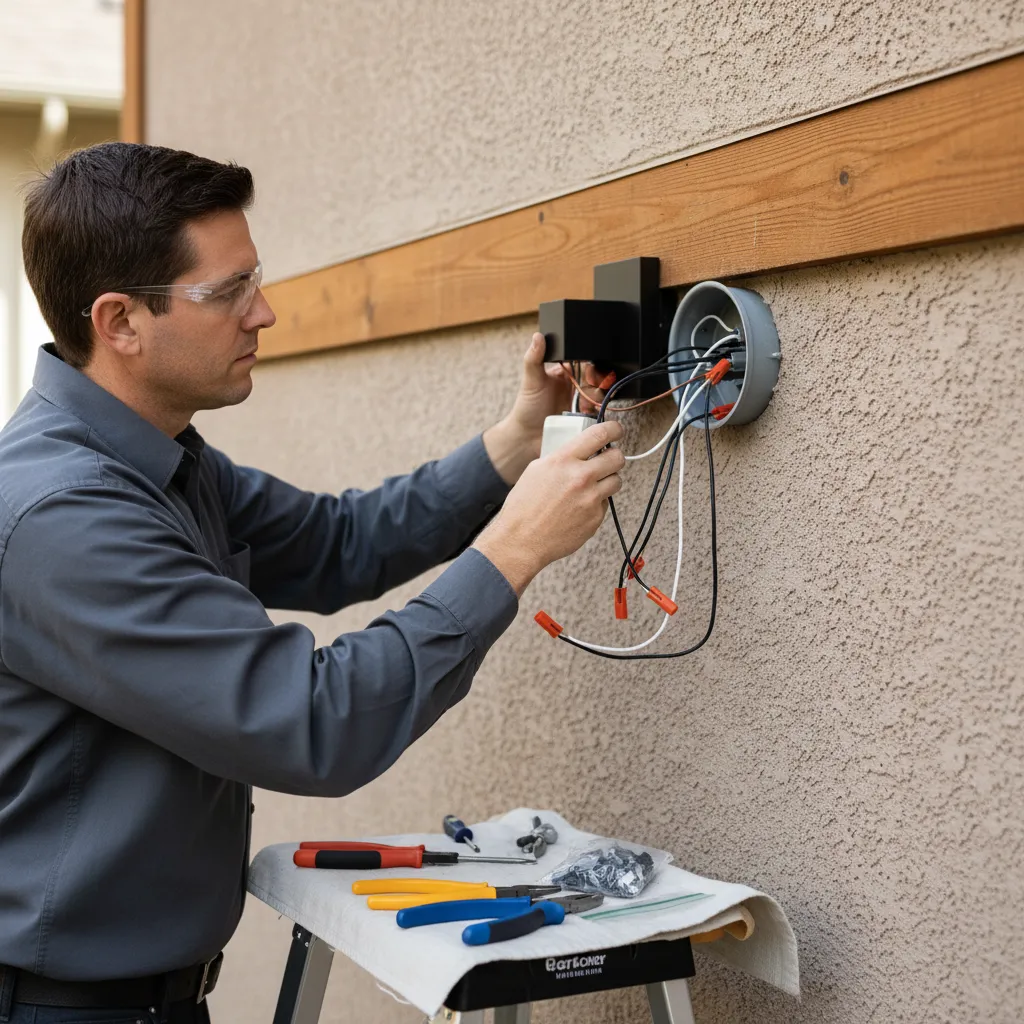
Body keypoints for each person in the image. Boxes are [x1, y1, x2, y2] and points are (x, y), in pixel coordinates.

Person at [0, 143, 624, 1024]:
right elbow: (312, 721)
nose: (263, 312)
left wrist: (516, 444)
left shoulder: (158, 461)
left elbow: (340, 542)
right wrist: (514, 548)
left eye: (255, 279)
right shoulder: (65, 517)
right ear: (120, 322)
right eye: (228, 292)